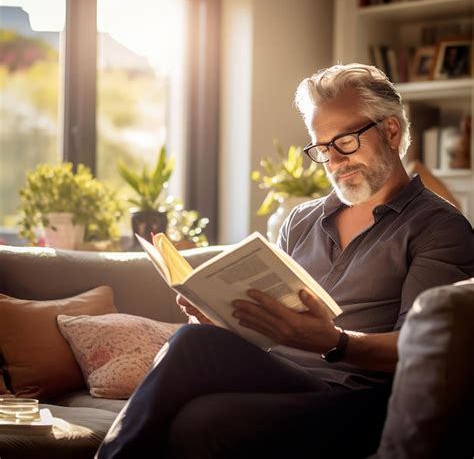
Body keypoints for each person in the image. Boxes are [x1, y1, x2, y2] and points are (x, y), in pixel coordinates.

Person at [96, 63, 474, 459]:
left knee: (205, 418)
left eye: (344, 141)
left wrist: (335, 342)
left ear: (391, 132)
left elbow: (421, 350)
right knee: (198, 341)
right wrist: (223, 318)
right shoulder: (302, 220)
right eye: (322, 148)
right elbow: (269, 326)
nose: (334, 161)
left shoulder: (439, 227)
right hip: (283, 376)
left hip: (359, 397)